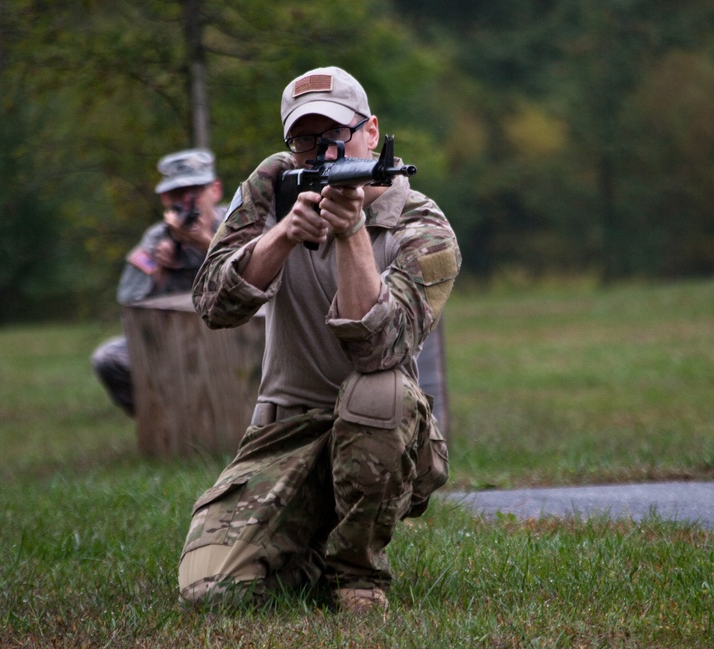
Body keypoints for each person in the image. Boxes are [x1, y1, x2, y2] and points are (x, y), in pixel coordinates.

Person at [178, 66, 461, 613]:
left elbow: (378, 351)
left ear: (371, 132)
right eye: (305, 140)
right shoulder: (272, 187)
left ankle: (358, 576)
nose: (323, 153)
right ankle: (306, 550)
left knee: (379, 392)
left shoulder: (423, 225)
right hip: (284, 432)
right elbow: (212, 303)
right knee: (211, 596)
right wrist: (281, 236)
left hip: (389, 433)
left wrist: (351, 233)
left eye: (336, 135)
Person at [91, 149, 226, 416]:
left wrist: (202, 243)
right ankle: (160, 423)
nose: (187, 202)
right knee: (108, 358)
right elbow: (128, 301)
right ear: (165, 198)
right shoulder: (156, 238)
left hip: (230, 333)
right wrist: (159, 272)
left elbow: (257, 272)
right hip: (174, 341)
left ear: (215, 190)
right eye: (177, 194)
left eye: (194, 191)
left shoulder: (236, 222)